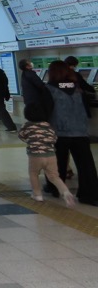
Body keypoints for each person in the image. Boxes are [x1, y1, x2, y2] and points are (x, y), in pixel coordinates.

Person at [46, 60, 98, 205]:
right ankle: (89, 194)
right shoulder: (77, 88)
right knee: (86, 165)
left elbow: (45, 110)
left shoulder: (49, 89)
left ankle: (56, 189)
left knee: (57, 163)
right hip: (80, 131)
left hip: (58, 132)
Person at [17, 102, 75, 208]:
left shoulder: (27, 125)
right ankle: (66, 192)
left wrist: (30, 141)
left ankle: (37, 195)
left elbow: (21, 136)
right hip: (50, 155)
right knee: (54, 176)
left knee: (33, 174)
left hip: (35, 155)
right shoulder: (48, 125)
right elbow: (54, 138)